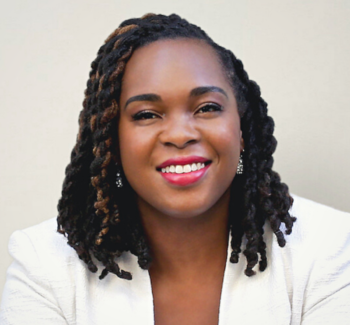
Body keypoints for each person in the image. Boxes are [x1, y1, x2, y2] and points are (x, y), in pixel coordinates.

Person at [1, 13, 349, 325]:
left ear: (241, 130)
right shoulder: (43, 265)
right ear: (112, 141)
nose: (181, 135)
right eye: (146, 114)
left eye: (207, 108)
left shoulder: (328, 249)